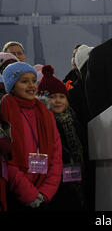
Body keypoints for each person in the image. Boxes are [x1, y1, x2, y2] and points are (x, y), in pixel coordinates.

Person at [0, 62, 62, 211]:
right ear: (12, 86)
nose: (31, 85)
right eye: (24, 81)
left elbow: (56, 155)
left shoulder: (46, 114)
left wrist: (46, 191)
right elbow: (7, 160)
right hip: (15, 193)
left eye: (34, 81)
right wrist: (28, 193)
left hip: (44, 194)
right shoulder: (4, 112)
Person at [37, 65, 87, 211]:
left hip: (74, 177)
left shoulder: (73, 118)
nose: (58, 100)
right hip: (53, 182)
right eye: (52, 97)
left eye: (61, 96)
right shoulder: (43, 122)